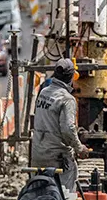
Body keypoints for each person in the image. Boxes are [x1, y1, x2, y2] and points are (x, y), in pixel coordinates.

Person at [31, 59, 90, 191]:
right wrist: (80, 148)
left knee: (39, 191)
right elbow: (68, 129)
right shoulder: (67, 99)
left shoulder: (44, 92)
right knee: (65, 193)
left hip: (38, 153)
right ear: (70, 77)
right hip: (57, 157)